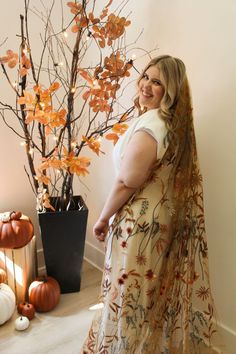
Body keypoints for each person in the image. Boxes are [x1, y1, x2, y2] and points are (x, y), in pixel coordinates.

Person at [81, 55, 224, 353]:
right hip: (160, 222)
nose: (146, 85)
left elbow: (126, 182)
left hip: (139, 229)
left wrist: (102, 218)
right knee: (148, 300)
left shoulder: (152, 127)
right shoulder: (173, 124)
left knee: (129, 301)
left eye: (157, 82)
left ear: (169, 91)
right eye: (146, 76)